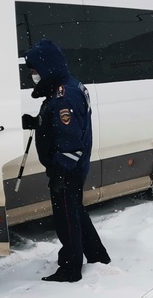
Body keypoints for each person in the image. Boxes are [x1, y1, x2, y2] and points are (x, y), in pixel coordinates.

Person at [24, 39, 110, 282]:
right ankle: (97, 255)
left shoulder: (64, 95)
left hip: (67, 168)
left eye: (35, 71)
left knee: (66, 219)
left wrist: (61, 171)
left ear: (47, 67)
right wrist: (36, 122)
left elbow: (71, 140)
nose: (33, 76)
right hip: (69, 167)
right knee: (75, 211)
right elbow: (60, 127)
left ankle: (70, 268)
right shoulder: (65, 87)